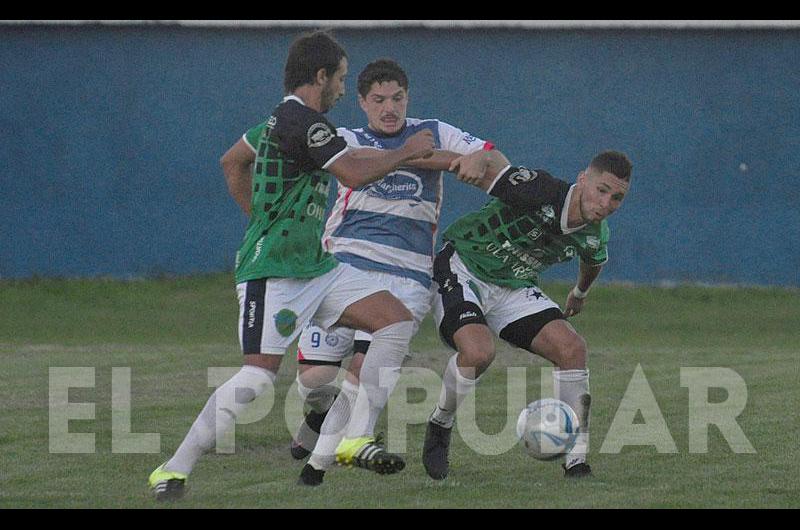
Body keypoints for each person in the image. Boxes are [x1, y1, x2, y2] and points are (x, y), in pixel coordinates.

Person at [146, 30, 435, 501]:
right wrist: (408, 151)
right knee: (258, 377)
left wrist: (259, 215)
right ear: (320, 76)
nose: (344, 88)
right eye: (341, 78)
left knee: (394, 320)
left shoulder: (279, 122)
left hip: (316, 267)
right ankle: (172, 469)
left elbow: (231, 161)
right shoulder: (305, 121)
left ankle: (355, 436)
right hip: (274, 273)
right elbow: (354, 173)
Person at [286, 59, 494, 486]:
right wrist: (414, 155)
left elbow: (484, 155)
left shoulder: (432, 130)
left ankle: (319, 466)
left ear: (407, 98)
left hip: (407, 276)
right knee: (315, 382)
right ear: (361, 102)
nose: (389, 108)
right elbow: (351, 160)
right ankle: (323, 415)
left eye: (397, 98)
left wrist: (457, 157)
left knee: (364, 374)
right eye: (378, 99)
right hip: (343, 264)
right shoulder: (345, 137)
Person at [421, 148, 632, 480]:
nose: (606, 203)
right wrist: (477, 157)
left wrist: (579, 292)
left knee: (572, 349)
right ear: (582, 180)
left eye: (617, 198)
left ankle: (576, 460)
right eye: (601, 190)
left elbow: (594, 260)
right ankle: (440, 423)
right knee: (478, 353)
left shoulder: (596, 232)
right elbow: (492, 168)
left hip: (514, 285)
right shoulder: (539, 190)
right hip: (465, 265)